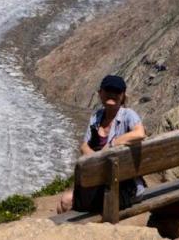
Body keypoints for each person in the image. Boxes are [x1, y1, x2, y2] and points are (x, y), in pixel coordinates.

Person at [57, 75, 146, 214]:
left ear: (123, 96)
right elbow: (84, 146)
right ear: (100, 93)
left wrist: (113, 144)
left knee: (66, 202)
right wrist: (97, 158)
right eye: (108, 90)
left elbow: (140, 133)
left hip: (124, 189)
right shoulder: (96, 117)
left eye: (116, 91)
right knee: (65, 202)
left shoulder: (128, 115)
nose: (112, 94)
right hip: (102, 183)